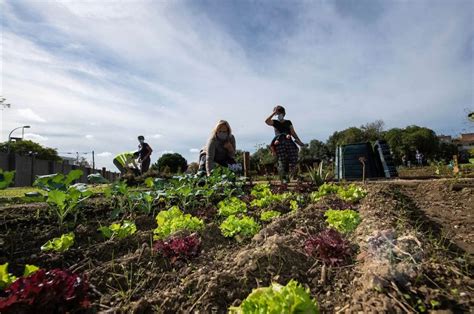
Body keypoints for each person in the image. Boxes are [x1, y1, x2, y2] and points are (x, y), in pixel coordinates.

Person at [265, 105, 306, 183]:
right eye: (277, 113)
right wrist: (273, 113)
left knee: (294, 156)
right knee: (282, 160)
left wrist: (299, 141)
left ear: (283, 113)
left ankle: (294, 175)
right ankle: (283, 178)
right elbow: (266, 121)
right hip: (279, 142)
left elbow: (293, 132)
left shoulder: (288, 122)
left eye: (279, 113)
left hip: (289, 141)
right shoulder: (275, 122)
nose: (278, 115)